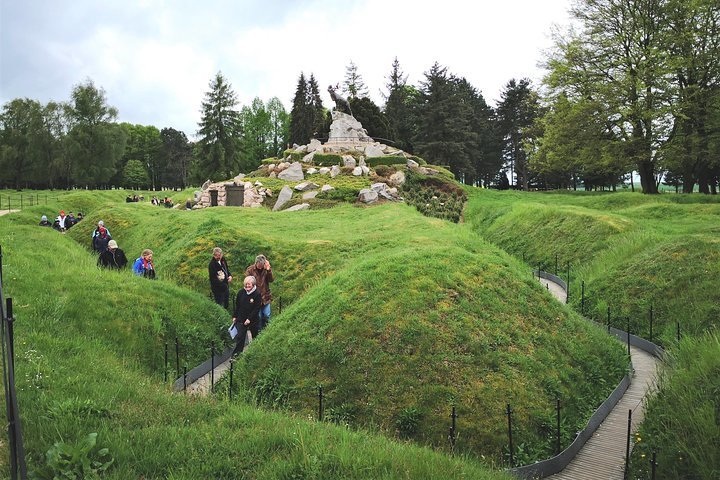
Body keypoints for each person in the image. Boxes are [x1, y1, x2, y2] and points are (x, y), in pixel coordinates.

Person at [231, 275, 262, 356]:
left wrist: (249, 319)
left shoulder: (257, 294)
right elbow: (237, 306)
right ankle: (236, 355)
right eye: (246, 284)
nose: (247, 286)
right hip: (241, 319)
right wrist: (234, 316)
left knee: (255, 336)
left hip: (253, 320)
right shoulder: (241, 292)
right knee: (240, 337)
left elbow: (256, 308)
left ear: (253, 284)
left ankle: (255, 353)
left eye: (249, 284)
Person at [245, 254, 274, 333]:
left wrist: (268, 270)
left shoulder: (266, 269)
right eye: (259, 265)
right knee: (259, 317)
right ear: (256, 263)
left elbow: (271, 280)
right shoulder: (250, 270)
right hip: (255, 298)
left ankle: (268, 331)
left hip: (266, 297)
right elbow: (247, 282)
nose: (261, 267)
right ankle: (260, 333)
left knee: (267, 315)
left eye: (262, 265)